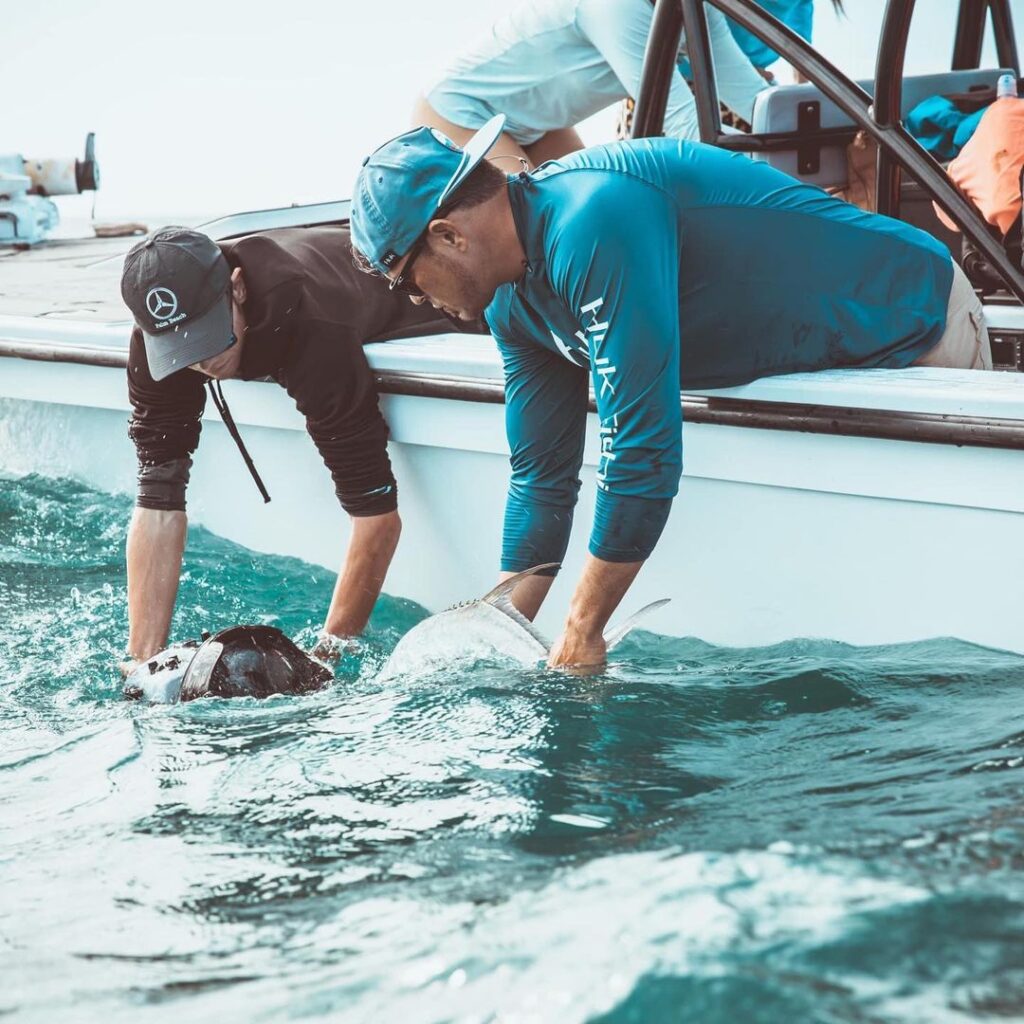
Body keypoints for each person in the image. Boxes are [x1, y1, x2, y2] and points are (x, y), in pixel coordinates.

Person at [348, 118, 992, 670]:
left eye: (406, 281)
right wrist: (493, 626)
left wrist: (582, 630)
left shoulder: (593, 219)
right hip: (825, 370)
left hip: (914, 322)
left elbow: (642, 450)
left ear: (449, 236)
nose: (414, 300)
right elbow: (541, 471)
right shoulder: (511, 305)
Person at [119, 225, 461, 671]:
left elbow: (378, 516)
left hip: (418, 299)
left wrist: (326, 658)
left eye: (208, 336)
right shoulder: (158, 340)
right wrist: (144, 662)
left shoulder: (313, 328)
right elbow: (157, 500)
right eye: (180, 350)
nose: (202, 362)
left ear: (237, 288)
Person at [414, 0, 767, 168]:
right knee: (533, 224)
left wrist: (819, 142)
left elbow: (758, 101)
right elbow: (684, 125)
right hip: (463, 108)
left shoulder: (703, 10)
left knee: (595, 198)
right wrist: (792, 181)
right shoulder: (615, 8)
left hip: (538, 122)